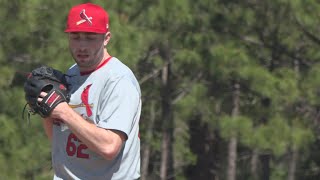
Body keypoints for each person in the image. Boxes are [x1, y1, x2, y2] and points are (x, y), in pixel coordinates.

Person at [40, 2, 141, 180]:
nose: (82, 46)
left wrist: (64, 112)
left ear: (106, 38)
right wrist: (46, 112)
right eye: (76, 37)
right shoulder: (72, 73)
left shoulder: (118, 80)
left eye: (90, 37)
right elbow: (59, 140)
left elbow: (109, 147)